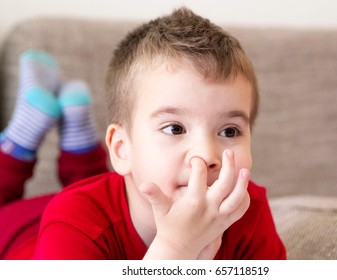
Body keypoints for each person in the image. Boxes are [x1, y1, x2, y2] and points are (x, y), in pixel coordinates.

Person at [7, 7, 286, 260]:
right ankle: (20, 141)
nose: (206, 155)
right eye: (175, 128)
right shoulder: (72, 218)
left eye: (229, 130)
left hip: (104, 199)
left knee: (94, 181)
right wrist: (177, 248)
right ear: (120, 149)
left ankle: (78, 145)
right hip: (18, 229)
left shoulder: (248, 210)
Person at [0, 50, 108, 259]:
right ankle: (20, 142)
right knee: (96, 206)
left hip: (23, 230)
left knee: (99, 204)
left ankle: (22, 141)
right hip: (36, 228)